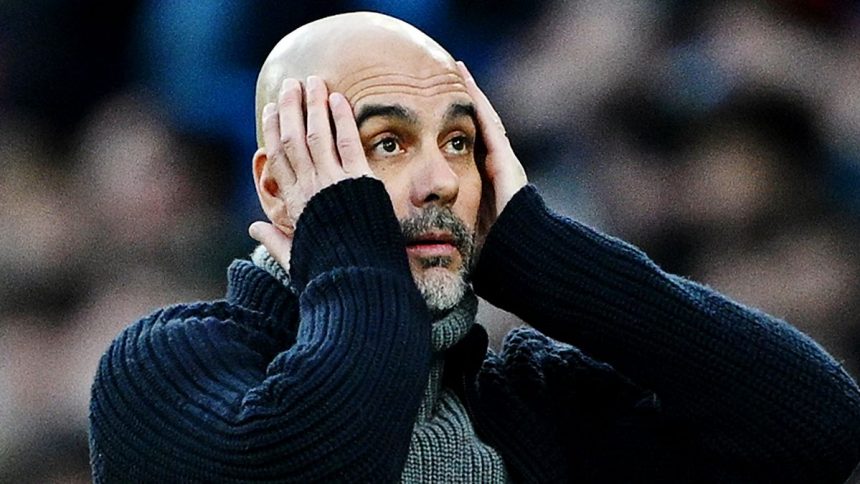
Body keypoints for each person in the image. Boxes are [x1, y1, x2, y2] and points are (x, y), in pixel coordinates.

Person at [88, 12, 860, 483]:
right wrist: (353, 247)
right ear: (278, 184)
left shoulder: (532, 403)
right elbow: (323, 460)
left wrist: (535, 249)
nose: (439, 181)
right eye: (386, 144)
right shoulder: (166, 367)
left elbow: (814, 429)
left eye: (459, 144)